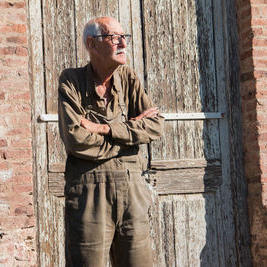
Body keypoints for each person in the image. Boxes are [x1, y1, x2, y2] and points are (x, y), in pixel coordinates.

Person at [58, 16, 164, 267]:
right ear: (92, 44)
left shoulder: (128, 78)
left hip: (132, 191)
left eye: (124, 37)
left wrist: (105, 129)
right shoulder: (71, 80)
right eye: (113, 37)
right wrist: (129, 136)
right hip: (88, 193)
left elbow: (156, 125)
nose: (122, 43)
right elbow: (76, 140)